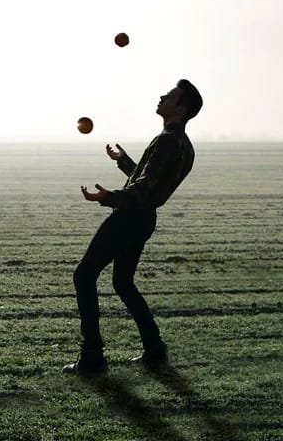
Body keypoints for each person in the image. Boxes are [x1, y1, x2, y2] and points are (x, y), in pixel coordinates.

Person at [64, 79, 203, 376]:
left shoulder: (167, 140)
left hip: (130, 217)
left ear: (180, 108)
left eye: (171, 95)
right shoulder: (183, 144)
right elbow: (150, 183)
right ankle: (154, 348)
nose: (163, 96)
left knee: (84, 275)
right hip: (144, 219)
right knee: (123, 283)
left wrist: (107, 197)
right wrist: (123, 161)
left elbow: (142, 190)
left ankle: (92, 356)